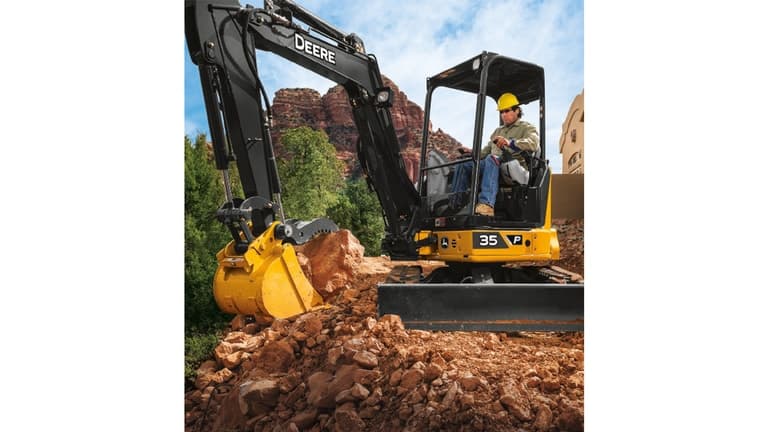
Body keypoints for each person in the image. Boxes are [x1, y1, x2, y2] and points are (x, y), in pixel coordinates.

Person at [450, 92, 540, 216]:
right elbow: (485, 151)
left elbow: (533, 143)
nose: (504, 115)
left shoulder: (527, 128)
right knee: (464, 164)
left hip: (514, 166)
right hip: (492, 163)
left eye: (507, 111)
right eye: (501, 112)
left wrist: (510, 143)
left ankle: (487, 205)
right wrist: (471, 152)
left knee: (492, 159)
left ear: (517, 110)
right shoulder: (498, 131)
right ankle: (456, 204)